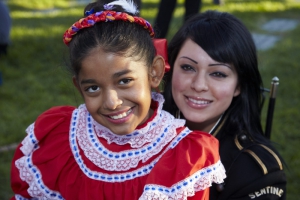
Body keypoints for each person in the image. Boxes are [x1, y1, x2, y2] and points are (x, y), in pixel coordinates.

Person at [10, 1, 226, 199]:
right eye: (93, 88)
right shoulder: (61, 135)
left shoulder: (182, 156)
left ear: (155, 73)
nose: (111, 102)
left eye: (124, 81)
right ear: (79, 87)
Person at [163, 10, 287, 199]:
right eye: (188, 67)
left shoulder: (256, 172)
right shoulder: (138, 133)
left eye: (218, 73)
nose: (198, 85)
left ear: (239, 85)